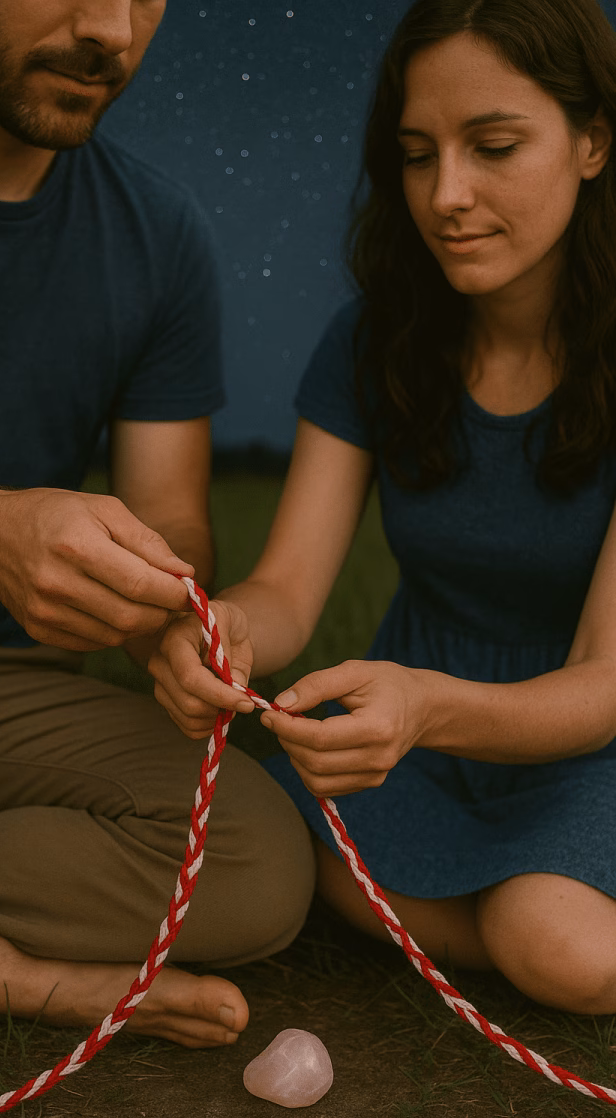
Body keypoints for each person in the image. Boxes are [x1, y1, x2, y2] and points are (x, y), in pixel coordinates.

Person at [0, 0, 315, 1053]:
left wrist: (180, 628)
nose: (112, 27)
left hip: (12, 706)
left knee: (256, 858)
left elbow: (170, 528)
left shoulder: (158, 234)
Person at [151, 0, 616, 1015]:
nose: (447, 195)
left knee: (563, 947)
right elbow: (287, 588)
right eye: (416, 155)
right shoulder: (373, 341)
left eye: (494, 146)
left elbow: (605, 683)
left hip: (584, 746)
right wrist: (224, 632)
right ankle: (486, 913)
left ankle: (503, 915)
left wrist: (428, 707)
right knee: (267, 843)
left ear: (593, 141)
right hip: (410, 748)